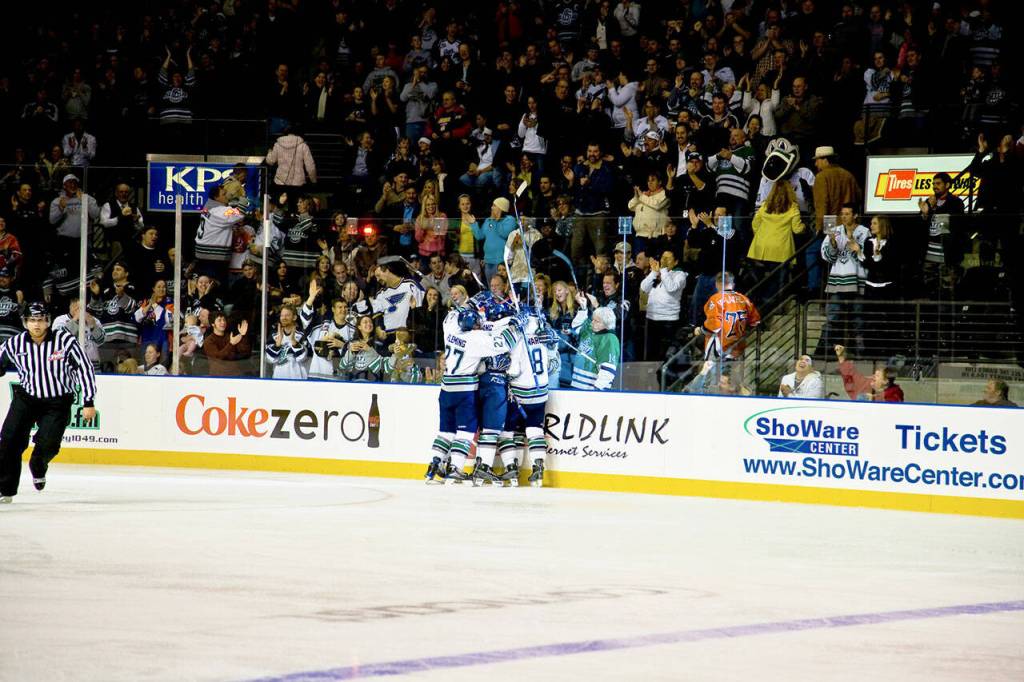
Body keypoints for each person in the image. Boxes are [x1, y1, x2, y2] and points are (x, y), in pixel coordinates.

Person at [0, 302, 98, 504]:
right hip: (27, 398)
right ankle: (6, 489)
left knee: (47, 444)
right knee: (9, 441)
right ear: (25, 322)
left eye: (41, 320)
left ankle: (39, 465)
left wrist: (88, 401)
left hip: (57, 401)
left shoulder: (64, 341)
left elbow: (85, 368)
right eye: (32, 320)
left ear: (48, 321)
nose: (36, 325)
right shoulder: (14, 343)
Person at [423, 306, 516, 484]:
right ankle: (455, 469)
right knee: (465, 432)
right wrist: (516, 327)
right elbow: (505, 344)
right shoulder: (477, 339)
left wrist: (470, 303)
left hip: (446, 387)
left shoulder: (450, 328)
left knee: (445, 432)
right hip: (463, 390)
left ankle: (433, 466)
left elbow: (451, 314)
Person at [499, 312, 555, 487]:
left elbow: (514, 369)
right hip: (540, 392)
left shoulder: (518, 338)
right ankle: (538, 467)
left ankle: (511, 468)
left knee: (509, 430)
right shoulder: (544, 337)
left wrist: (505, 374)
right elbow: (552, 365)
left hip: (520, 392)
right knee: (534, 429)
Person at [689, 271, 760, 394]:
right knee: (732, 383)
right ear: (733, 284)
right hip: (737, 348)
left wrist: (699, 330)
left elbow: (714, 326)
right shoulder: (744, 299)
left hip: (718, 348)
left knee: (710, 380)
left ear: (717, 284)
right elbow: (755, 322)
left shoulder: (716, 299)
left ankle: (694, 396)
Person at [815, 203, 869, 358]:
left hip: (858, 280)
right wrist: (832, 242)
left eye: (847, 213)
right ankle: (822, 350)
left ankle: (861, 351)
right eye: (842, 214)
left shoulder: (864, 232)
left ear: (855, 215)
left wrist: (854, 244)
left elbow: (867, 256)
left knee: (858, 318)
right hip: (838, 280)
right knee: (833, 317)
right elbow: (827, 256)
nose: (844, 216)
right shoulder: (835, 231)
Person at [748, 181, 806, 303]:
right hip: (780, 250)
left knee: (760, 280)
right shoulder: (793, 207)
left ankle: (758, 304)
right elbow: (797, 229)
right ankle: (771, 304)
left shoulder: (764, 206)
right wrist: (804, 227)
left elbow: (755, 224)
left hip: (760, 249)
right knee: (777, 281)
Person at [639, 249, 686, 362]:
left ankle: (665, 377)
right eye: (663, 257)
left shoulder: (680, 275)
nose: (664, 260)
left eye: (668, 258)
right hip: (651, 318)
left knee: (666, 354)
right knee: (651, 353)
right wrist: (654, 273)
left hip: (668, 320)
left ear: (675, 262)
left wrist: (663, 270)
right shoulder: (657, 273)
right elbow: (644, 288)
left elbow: (671, 287)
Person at [570, 292, 620, 390]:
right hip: (577, 384)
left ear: (606, 324)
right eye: (593, 319)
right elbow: (576, 327)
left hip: (592, 389)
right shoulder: (591, 329)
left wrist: (597, 389)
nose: (592, 322)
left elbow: (608, 369)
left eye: (596, 321)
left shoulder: (609, 339)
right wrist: (583, 308)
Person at [834, 344, 903, 403]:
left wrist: (873, 399)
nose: (873, 377)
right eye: (874, 374)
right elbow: (852, 374)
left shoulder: (895, 393)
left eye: (877, 376)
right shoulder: (867, 384)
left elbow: (892, 407)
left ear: (885, 381)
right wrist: (841, 357)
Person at [265, 304, 311, 379]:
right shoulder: (274, 335)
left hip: (299, 379)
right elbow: (269, 359)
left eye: (287, 315)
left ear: (294, 317)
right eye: (282, 315)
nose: (284, 318)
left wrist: (294, 342)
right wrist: (277, 345)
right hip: (279, 378)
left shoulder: (302, 334)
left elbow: (303, 358)